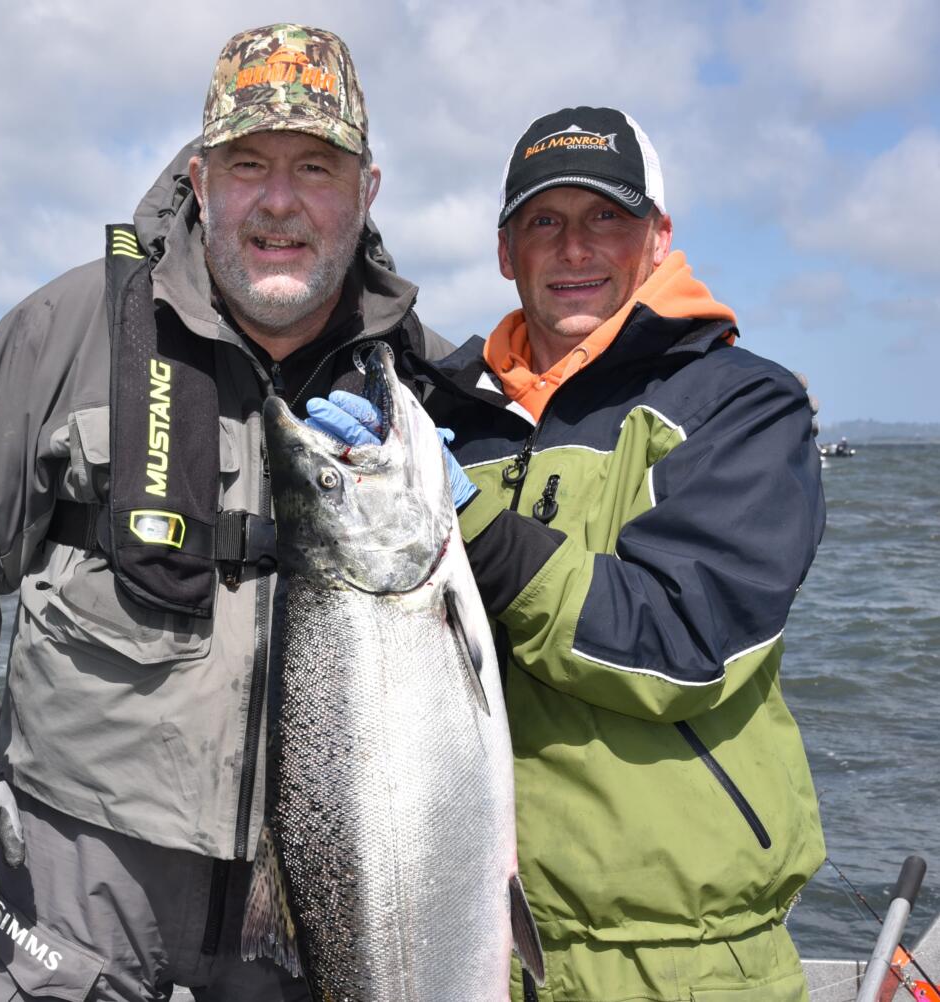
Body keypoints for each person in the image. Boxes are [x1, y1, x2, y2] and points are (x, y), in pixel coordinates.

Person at [0, 23, 449, 1002]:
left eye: (315, 166)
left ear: (367, 190)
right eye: (247, 164)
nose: (277, 200)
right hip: (77, 852)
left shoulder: (416, 380)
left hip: (320, 879)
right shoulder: (68, 326)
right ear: (198, 176)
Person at [311, 106, 825, 1001]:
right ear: (507, 252)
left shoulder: (742, 404)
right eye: (545, 222)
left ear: (658, 238)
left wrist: (468, 524)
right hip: (464, 933)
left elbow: (688, 643)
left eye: (607, 219)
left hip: (687, 962)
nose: (575, 248)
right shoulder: (447, 421)